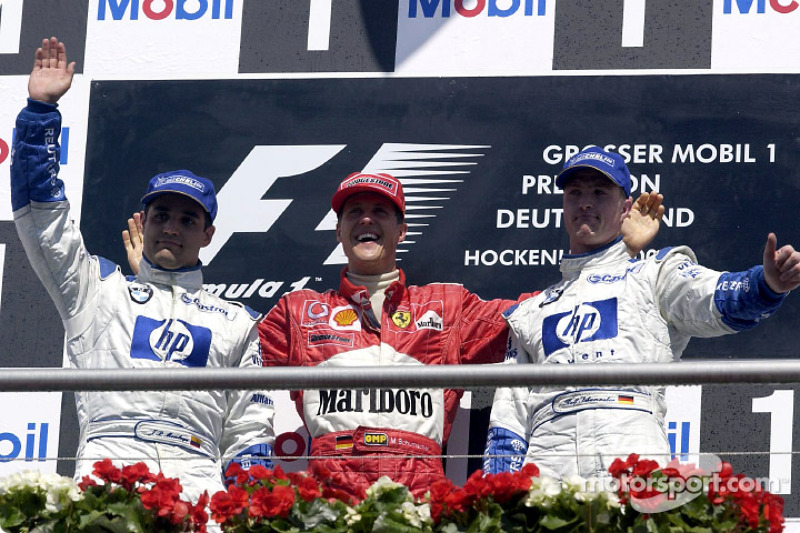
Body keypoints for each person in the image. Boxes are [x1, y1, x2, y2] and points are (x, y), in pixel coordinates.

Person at [254, 171, 664, 498]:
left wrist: (616, 254)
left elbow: (545, 312)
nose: (365, 219)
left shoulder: (447, 307)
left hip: (419, 502)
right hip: (329, 497)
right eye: (354, 212)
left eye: (380, 212)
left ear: (401, 231)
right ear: (338, 232)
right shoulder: (299, 311)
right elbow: (228, 344)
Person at [11, 37, 275, 501]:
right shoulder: (97, 291)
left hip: (198, 481)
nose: (172, 228)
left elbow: (249, 431)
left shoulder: (237, 321)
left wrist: (249, 509)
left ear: (207, 234)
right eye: (162, 216)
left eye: (188, 219)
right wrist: (39, 113)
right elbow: (42, 220)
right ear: (145, 222)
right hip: (107, 471)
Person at [483, 146, 800, 480]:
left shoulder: (655, 274)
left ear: (625, 208)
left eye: (599, 192)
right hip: (548, 469)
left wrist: (766, 284)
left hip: (633, 457)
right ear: (563, 205)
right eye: (574, 192)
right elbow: (508, 425)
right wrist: (499, 499)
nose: (585, 202)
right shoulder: (530, 312)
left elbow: (715, 299)